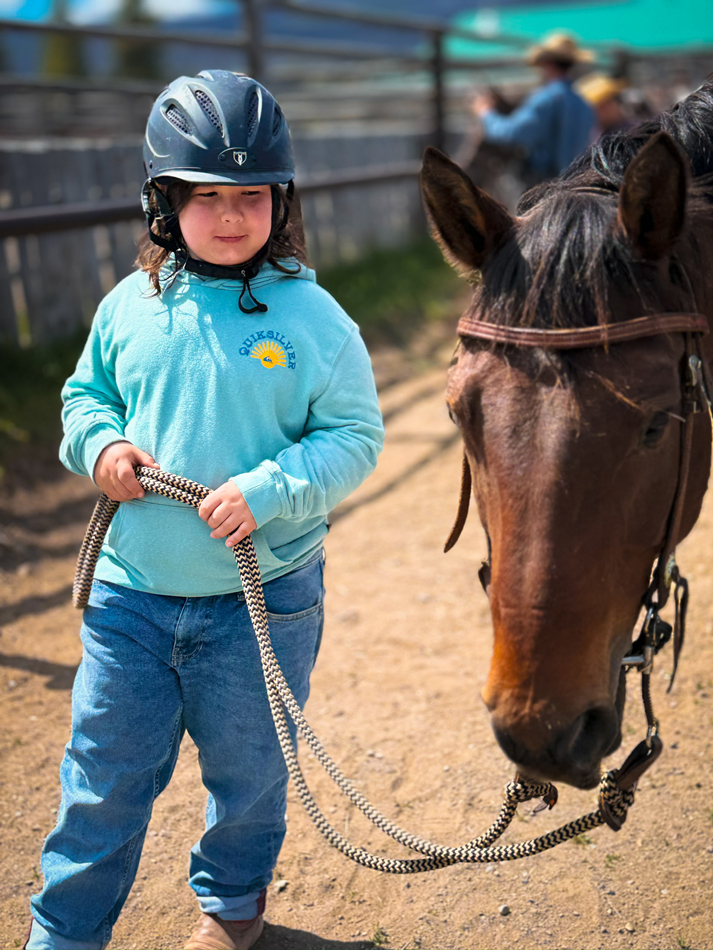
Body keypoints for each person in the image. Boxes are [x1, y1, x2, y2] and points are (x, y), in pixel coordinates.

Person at [25, 70, 384, 950]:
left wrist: (268, 492)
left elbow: (353, 437)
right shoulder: (130, 307)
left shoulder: (317, 319)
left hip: (261, 605)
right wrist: (100, 448)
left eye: (252, 195)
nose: (231, 216)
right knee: (101, 781)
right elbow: (86, 398)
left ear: (281, 199)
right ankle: (64, 932)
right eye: (207, 196)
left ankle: (232, 911)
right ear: (163, 203)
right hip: (131, 598)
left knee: (251, 773)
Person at [472, 32, 595, 183]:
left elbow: (512, 133)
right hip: (575, 182)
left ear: (547, 64)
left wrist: (486, 113)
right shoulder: (583, 103)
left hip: (547, 186)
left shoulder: (546, 98)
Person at [577, 73, 634, 138]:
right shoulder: (591, 140)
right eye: (601, 106)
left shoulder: (635, 129)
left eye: (611, 100)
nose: (608, 108)